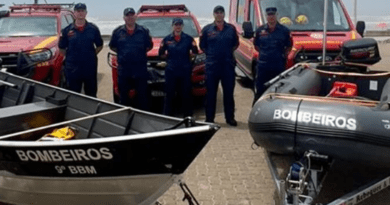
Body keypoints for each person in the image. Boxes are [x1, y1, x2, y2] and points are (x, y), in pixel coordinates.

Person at [200, 5, 239, 126]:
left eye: (221, 12)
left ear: (224, 14)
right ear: (214, 14)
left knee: (228, 93)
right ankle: (209, 119)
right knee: (211, 93)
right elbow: (203, 46)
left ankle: (230, 118)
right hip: (212, 66)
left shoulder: (231, 29)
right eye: (217, 12)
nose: (219, 14)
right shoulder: (207, 29)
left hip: (227, 65)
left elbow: (235, 44)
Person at [109, 7, 153, 110]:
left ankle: (141, 119)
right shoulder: (117, 32)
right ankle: (125, 120)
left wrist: (137, 55)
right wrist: (125, 54)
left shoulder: (143, 31)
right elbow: (113, 46)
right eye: (127, 15)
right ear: (124, 18)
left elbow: (149, 46)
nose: (130, 17)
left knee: (142, 97)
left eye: (132, 15)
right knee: (124, 98)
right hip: (124, 71)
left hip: (140, 70)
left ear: (135, 16)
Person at [59, 3, 103, 97]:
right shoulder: (67, 30)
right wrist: (71, 57)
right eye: (78, 11)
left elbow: (99, 45)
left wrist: (90, 55)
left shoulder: (93, 29)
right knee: (73, 95)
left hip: (89, 68)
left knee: (91, 94)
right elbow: (61, 48)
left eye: (82, 11)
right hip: (73, 69)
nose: (80, 13)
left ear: (86, 13)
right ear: (74, 13)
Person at [159, 18, 199, 117]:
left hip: (185, 71)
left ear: (182, 26)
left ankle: (188, 116)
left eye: (180, 25)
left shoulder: (189, 39)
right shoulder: (167, 39)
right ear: (172, 26)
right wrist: (169, 59)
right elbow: (161, 54)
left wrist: (188, 60)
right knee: (169, 95)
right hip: (171, 71)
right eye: (176, 25)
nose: (178, 27)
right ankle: (168, 116)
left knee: (186, 94)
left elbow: (195, 52)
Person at [253, 7, 292, 104]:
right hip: (263, 66)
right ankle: (257, 112)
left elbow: (289, 46)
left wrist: (281, 56)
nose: (271, 17)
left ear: (276, 15)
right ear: (266, 16)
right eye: (269, 15)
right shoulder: (260, 31)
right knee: (260, 90)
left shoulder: (284, 31)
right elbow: (256, 46)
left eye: (273, 15)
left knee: (278, 90)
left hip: (278, 66)